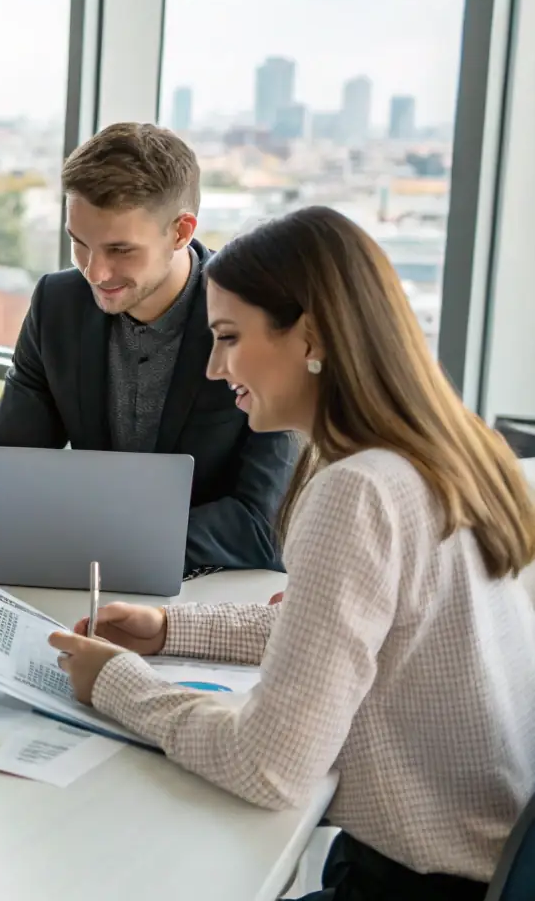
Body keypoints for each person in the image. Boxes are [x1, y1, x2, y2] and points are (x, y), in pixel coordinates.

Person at [49, 206, 535, 900]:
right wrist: (172, 631)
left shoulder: (357, 489)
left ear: (308, 334)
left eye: (226, 337)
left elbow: (268, 767)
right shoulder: (446, 453)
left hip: (416, 884)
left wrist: (117, 682)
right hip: (484, 866)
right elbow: (361, 628)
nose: (215, 368)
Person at [0, 122, 297, 572]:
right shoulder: (58, 304)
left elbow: (262, 526)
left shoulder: (255, 320)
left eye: (120, 250)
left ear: (180, 232)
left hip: (215, 592)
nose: (94, 272)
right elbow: (3, 476)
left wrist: (95, 539)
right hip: (86, 577)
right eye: (79, 243)